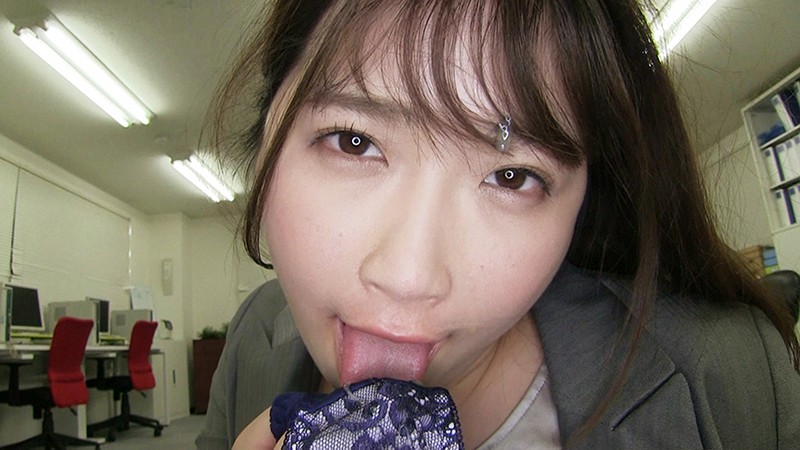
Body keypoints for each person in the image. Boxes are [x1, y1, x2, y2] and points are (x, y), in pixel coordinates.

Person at [195, 0, 800, 448]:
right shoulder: (255, 336)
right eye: (353, 141)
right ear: (266, 137)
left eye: (512, 177)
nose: (408, 277)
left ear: (583, 203)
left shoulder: (734, 379)